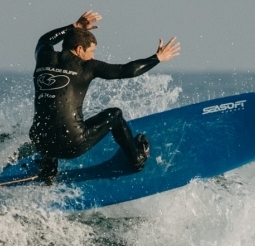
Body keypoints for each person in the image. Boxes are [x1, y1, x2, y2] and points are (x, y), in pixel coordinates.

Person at [29, 10, 180, 184]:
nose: (93, 56)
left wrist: (74, 26)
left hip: (40, 142)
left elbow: (45, 40)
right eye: (91, 51)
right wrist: (157, 58)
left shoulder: (44, 57)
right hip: (73, 145)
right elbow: (126, 70)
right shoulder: (87, 66)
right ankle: (137, 160)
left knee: (50, 116)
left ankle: (48, 171)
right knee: (114, 115)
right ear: (79, 50)